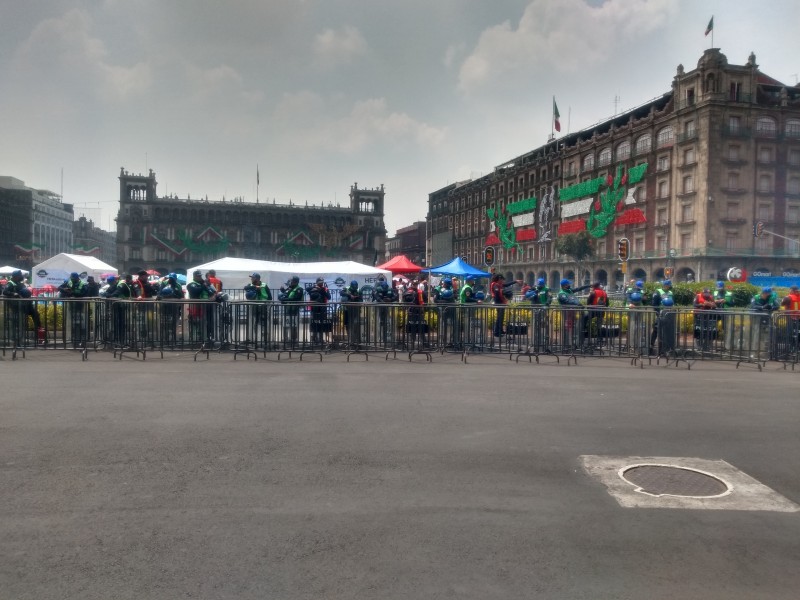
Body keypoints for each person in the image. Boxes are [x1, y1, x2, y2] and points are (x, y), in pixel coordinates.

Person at [2, 269, 43, 344]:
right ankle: (17, 338)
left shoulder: (20, 283)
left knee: (36, 314)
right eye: (20, 275)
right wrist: (14, 294)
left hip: (26, 305)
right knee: (20, 321)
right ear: (15, 276)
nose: (21, 277)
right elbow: (5, 292)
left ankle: (38, 334)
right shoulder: (10, 283)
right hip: (18, 306)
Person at [187, 269, 218, 343]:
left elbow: (212, 292)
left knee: (207, 322)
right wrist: (203, 286)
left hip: (206, 306)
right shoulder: (191, 284)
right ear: (194, 276)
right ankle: (194, 339)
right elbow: (195, 292)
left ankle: (206, 337)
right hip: (196, 306)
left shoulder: (203, 284)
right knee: (195, 322)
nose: (200, 277)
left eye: (200, 276)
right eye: (198, 276)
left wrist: (212, 293)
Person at [58, 272, 89, 347]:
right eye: (71, 278)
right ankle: (73, 340)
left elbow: (84, 293)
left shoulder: (83, 284)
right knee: (73, 324)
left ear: (77, 278)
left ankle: (81, 340)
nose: (72, 280)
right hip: (71, 306)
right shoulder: (69, 282)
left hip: (80, 307)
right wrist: (65, 290)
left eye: (73, 278)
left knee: (80, 324)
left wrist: (73, 292)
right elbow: (59, 288)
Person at [749, 286, 779, 359]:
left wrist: (771, 307)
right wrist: (762, 307)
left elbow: (777, 306)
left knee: (767, 336)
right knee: (756, 336)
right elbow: (753, 306)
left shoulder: (772, 297)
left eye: (768, 294)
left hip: (767, 319)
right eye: (766, 294)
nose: (767, 295)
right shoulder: (756, 297)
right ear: (763, 293)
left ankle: (767, 353)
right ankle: (754, 352)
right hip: (756, 319)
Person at [649, 280, 674, 355]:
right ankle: (651, 345)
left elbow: (672, 302)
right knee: (656, 329)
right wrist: (657, 313)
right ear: (665, 285)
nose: (670, 286)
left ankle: (667, 347)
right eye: (669, 285)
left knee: (667, 331)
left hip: (669, 314)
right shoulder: (658, 291)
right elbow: (654, 303)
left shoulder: (670, 293)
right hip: (660, 314)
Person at [278, 275, 305, 346]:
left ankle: (293, 340)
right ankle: (286, 339)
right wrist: (283, 292)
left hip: (294, 310)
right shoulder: (290, 288)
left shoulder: (299, 289)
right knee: (285, 325)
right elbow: (286, 295)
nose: (290, 282)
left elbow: (296, 298)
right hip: (288, 309)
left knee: (294, 325)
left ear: (295, 282)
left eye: (291, 281)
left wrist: (285, 299)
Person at [371, 274, 397, 346]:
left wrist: (390, 300)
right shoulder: (377, 288)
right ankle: (378, 338)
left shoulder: (390, 289)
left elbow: (395, 296)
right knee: (378, 323)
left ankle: (386, 339)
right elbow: (376, 297)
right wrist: (382, 301)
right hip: (379, 308)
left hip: (387, 309)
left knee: (387, 323)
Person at [434, 277, 457, 347]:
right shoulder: (438, 289)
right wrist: (444, 302)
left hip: (449, 311)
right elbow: (435, 300)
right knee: (442, 325)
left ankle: (449, 341)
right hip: (442, 310)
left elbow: (453, 300)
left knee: (449, 327)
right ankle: (441, 341)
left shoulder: (451, 290)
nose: (443, 284)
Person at [693, 287, 718, 351]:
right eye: (705, 293)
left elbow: (715, 306)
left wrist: (711, 305)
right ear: (703, 292)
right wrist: (703, 304)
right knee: (699, 331)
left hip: (708, 317)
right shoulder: (698, 296)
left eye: (708, 293)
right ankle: (699, 347)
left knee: (709, 332)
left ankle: (708, 346)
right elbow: (694, 304)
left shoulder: (711, 297)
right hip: (699, 316)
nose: (707, 295)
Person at [339, 279, 363, 347]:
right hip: (347, 310)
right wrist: (349, 295)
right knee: (347, 324)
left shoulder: (359, 290)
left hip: (356, 310)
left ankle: (356, 341)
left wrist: (356, 298)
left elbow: (361, 300)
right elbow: (341, 293)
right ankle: (350, 340)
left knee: (355, 324)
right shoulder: (346, 288)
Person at [584, 282, 608, 348]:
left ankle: (584, 331)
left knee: (584, 318)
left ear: (594, 286)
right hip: (601, 311)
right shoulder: (604, 293)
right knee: (599, 326)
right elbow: (607, 303)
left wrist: (589, 310)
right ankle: (599, 339)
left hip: (593, 311)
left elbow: (588, 302)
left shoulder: (593, 293)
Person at [309, 277, 332, 346]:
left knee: (322, 324)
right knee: (314, 323)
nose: (321, 283)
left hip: (323, 309)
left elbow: (329, 297)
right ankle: (314, 338)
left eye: (322, 282)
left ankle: (321, 339)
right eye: (319, 282)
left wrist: (322, 291)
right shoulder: (313, 288)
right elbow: (308, 291)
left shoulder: (325, 289)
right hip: (314, 309)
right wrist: (315, 288)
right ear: (317, 282)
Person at [713, 280, 736, 351]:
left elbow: (733, 304)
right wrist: (715, 301)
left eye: (721, 288)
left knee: (725, 329)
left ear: (724, 287)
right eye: (718, 287)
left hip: (725, 313)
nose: (719, 289)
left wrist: (726, 301)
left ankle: (726, 346)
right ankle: (713, 346)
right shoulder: (714, 293)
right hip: (715, 312)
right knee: (713, 328)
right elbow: (710, 301)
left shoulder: (729, 293)